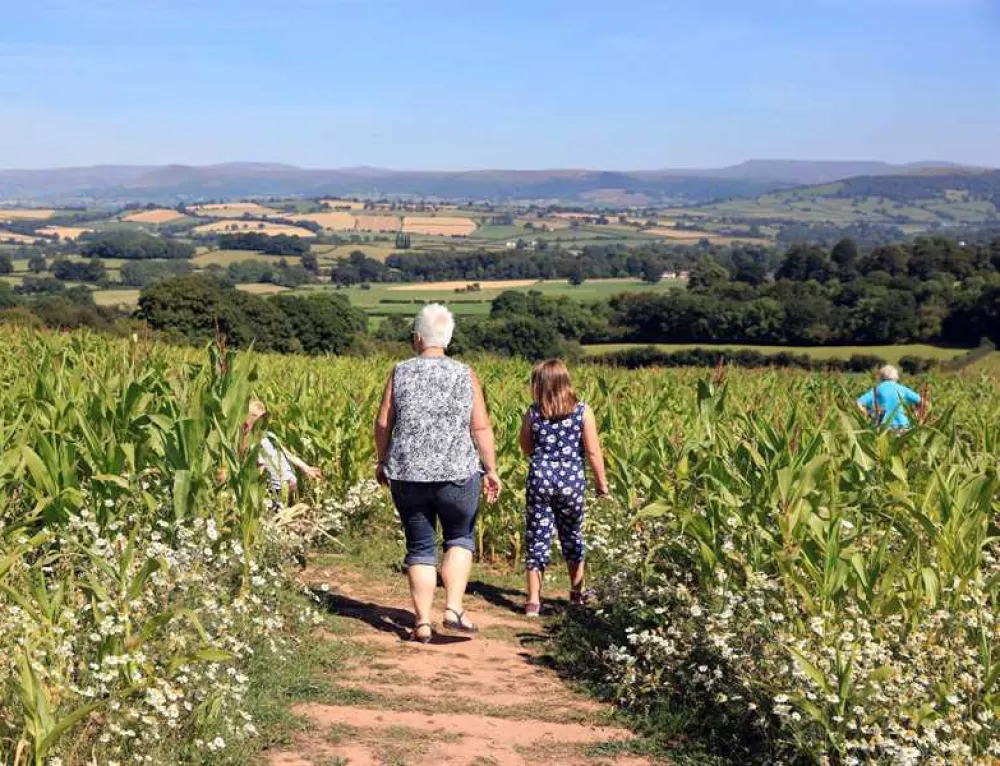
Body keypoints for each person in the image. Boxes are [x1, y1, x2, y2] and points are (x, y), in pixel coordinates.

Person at [374, 304, 502, 643]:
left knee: (420, 546)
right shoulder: (464, 373)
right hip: (458, 473)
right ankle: (453, 609)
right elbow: (481, 426)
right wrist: (491, 470)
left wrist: (382, 459)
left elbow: (384, 421)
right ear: (448, 339)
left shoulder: (400, 371)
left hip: (407, 473)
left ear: (417, 338)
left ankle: (422, 623)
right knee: (459, 538)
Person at [519, 359, 609, 617]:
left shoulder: (534, 412)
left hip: (540, 480)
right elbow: (592, 451)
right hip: (571, 481)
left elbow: (526, 448)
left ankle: (533, 601)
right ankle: (577, 594)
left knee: (537, 536)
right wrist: (601, 483)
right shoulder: (582, 411)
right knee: (572, 535)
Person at [243, 400, 322, 498]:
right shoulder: (250, 443)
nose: (263, 423)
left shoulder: (270, 436)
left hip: (289, 483)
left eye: (265, 419)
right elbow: (259, 469)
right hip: (275, 489)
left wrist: (306, 467)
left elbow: (287, 454)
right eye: (259, 420)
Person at [856, 365, 924, 430]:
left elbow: (858, 403)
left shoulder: (876, 389)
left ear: (881, 376)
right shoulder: (903, 389)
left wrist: (867, 414)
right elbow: (923, 402)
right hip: (902, 427)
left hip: (880, 428)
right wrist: (916, 413)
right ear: (896, 377)